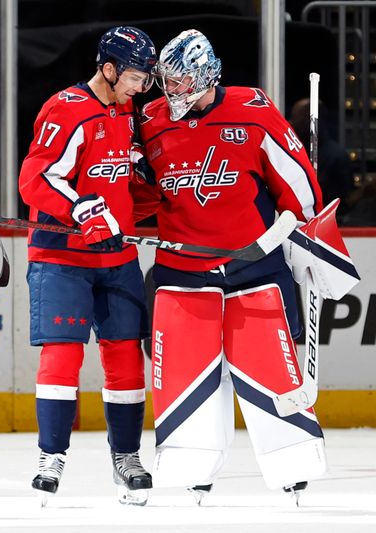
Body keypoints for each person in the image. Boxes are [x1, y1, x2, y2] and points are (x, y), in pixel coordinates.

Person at [135, 29, 331, 504]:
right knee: (184, 371)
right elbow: (132, 190)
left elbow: (301, 189)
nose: (174, 91)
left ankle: (293, 460)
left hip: (254, 268)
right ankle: (190, 462)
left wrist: (286, 237)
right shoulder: (149, 120)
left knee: (270, 365)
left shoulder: (253, 109)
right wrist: (108, 214)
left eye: (185, 82)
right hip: (181, 271)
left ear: (208, 76)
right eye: (169, 81)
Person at [17, 26, 157, 506]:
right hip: (62, 258)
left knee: (123, 358)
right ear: (110, 68)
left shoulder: (126, 111)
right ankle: (50, 457)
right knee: (63, 356)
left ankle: (127, 457)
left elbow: (122, 180)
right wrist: (82, 209)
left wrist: (145, 199)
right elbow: (34, 179)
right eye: (137, 77)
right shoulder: (66, 109)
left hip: (116, 258)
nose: (143, 87)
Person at [288, 98, 355, 221]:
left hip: (327, 223)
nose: (291, 123)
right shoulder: (295, 152)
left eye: (296, 118)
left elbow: (341, 202)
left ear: (311, 121)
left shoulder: (336, 156)